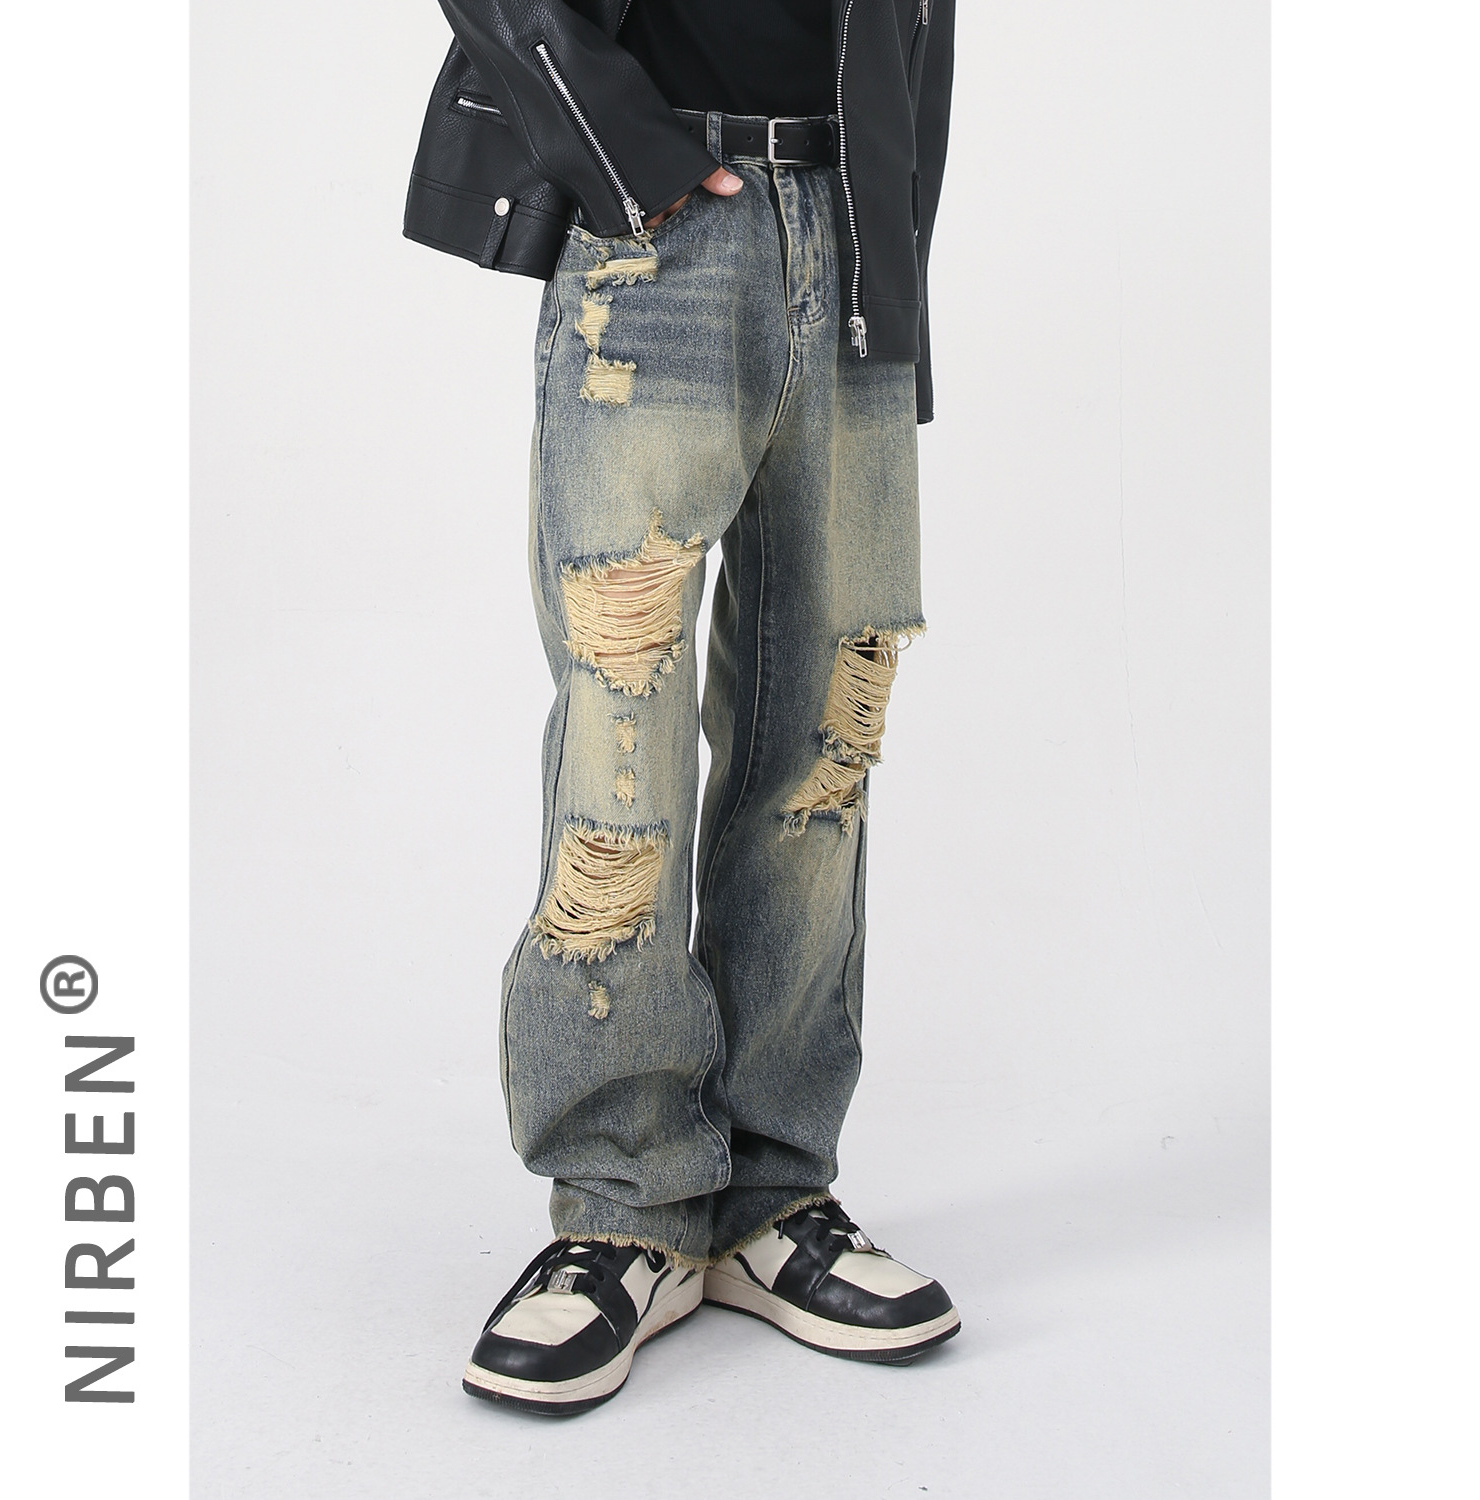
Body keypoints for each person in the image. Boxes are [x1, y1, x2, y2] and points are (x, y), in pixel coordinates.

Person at [404, 0, 957, 1415]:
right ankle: (622, 1207)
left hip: (853, 231)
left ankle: (775, 1195)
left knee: (825, 735)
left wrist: (895, 253)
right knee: (622, 729)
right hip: (656, 234)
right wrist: (626, 157)